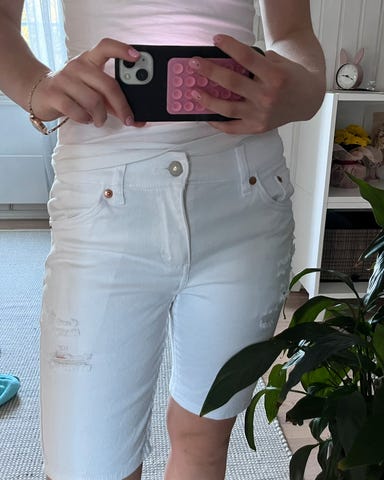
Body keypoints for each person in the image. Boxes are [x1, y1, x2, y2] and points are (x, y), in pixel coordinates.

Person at [0, 1, 326, 479]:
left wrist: (305, 88)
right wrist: (35, 87)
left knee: (204, 440)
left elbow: (294, 32)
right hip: (102, 200)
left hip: (246, 196)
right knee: (84, 468)